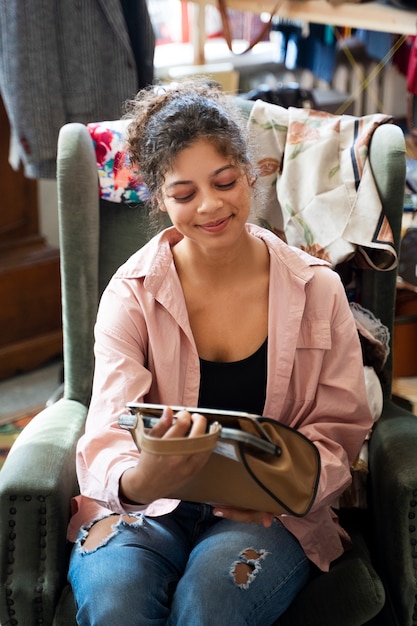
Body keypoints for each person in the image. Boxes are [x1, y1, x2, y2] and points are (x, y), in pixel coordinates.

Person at [67, 81, 373, 626]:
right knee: (116, 604)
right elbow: (109, 428)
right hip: (144, 508)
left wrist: (281, 494)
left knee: (211, 605)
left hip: (269, 514)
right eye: (184, 194)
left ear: (250, 172)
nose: (210, 206)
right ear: (159, 198)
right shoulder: (132, 290)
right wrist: (142, 482)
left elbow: (340, 429)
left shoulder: (315, 289)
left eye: (225, 182)